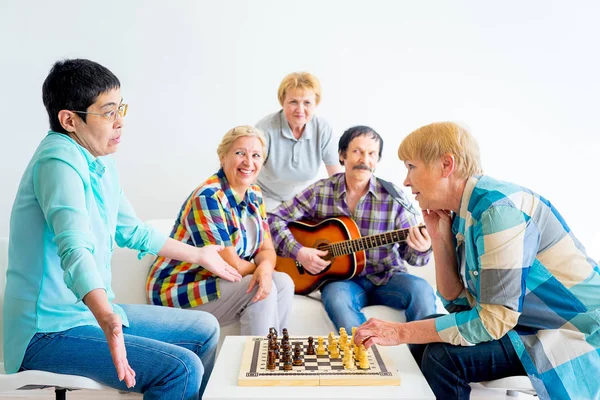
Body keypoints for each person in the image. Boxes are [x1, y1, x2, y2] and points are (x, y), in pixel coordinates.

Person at [3, 59, 242, 399]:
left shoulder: (101, 161)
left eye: (121, 109)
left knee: (203, 328)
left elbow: (132, 231)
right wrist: (107, 320)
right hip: (46, 332)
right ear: (70, 120)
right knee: (181, 367)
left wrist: (200, 254)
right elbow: (75, 248)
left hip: (85, 315)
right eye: (108, 112)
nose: (121, 122)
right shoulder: (57, 161)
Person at [354, 121, 600, 400]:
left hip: (573, 333)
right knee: (423, 341)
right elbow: (458, 303)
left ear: (446, 165)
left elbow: (493, 321)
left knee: (441, 356)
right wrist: (440, 239)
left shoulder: (497, 210)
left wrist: (400, 332)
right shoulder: (464, 211)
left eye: (411, 167)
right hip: (526, 325)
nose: (406, 181)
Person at [268, 125, 436, 332]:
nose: (364, 159)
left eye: (372, 153)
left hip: (387, 277)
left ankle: (425, 359)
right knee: (337, 300)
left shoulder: (394, 197)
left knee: (422, 290)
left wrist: (423, 247)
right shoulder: (321, 191)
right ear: (342, 155)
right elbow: (273, 219)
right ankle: (365, 360)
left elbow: (414, 258)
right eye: (357, 151)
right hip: (342, 281)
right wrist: (299, 252)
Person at [147, 126, 294, 335]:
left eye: (256, 155)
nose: (248, 162)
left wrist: (266, 267)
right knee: (258, 288)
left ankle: (275, 358)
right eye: (240, 153)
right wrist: (261, 269)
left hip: (218, 284)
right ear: (223, 157)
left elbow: (267, 250)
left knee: (284, 283)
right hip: (180, 289)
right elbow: (229, 264)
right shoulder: (209, 197)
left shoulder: (255, 194)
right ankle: (256, 363)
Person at [255, 72, 343, 211]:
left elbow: (336, 176)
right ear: (282, 102)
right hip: (266, 196)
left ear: (315, 104)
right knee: (275, 228)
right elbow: (249, 169)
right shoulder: (265, 129)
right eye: (293, 102)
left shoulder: (323, 129)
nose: (300, 109)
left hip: (303, 198)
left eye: (307, 103)